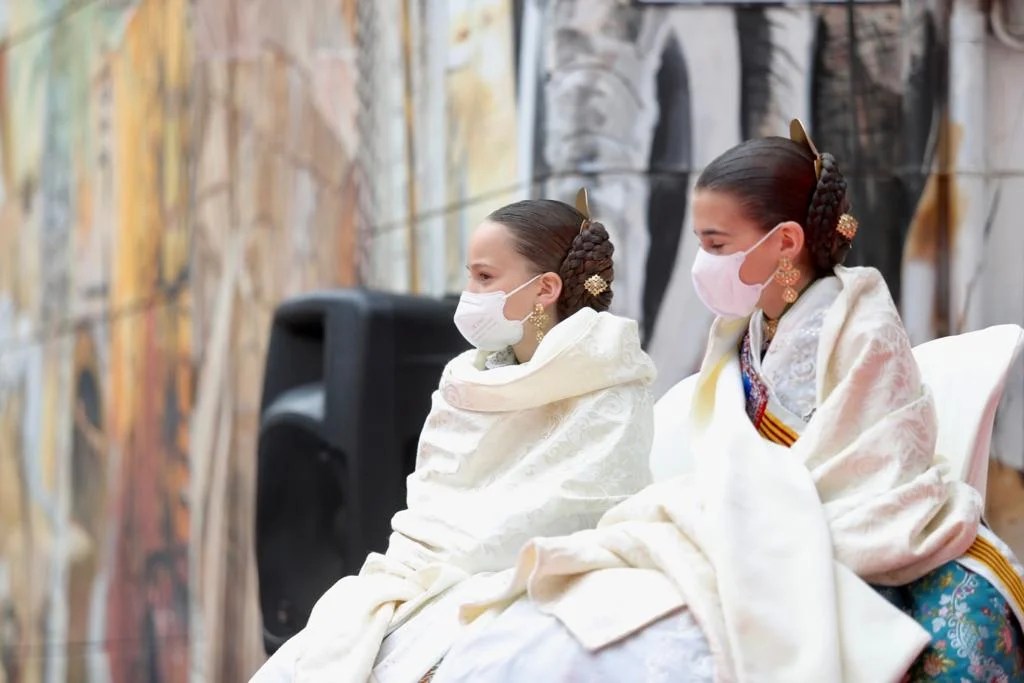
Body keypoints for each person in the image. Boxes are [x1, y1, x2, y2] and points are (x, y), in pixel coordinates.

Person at [432, 122, 1024, 682]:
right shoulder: (740, 335)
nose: (703, 263)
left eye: (717, 244)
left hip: (858, 527)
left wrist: (748, 512)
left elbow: (869, 466)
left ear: (785, 242)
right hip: (756, 524)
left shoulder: (861, 325)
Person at [249, 193, 657, 683]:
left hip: (525, 594)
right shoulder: (465, 381)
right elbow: (427, 514)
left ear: (544, 288)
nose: (469, 292)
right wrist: (410, 574)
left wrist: (448, 567)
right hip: (426, 580)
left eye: (484, 277)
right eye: (470, 275)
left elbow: (574, 512)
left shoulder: (608, 378)